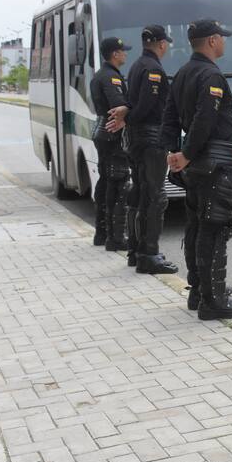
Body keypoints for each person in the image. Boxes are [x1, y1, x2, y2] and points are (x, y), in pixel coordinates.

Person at [166, 19, 232, 321]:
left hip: (197, 166)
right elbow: (205, 118)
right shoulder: (211, 75)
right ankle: (213, 300)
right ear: (213, 41)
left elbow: (169, 117)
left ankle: (199, 292)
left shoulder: (182, 73)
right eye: (222, 38)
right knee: (215, 227)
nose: (224, 42)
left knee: (197, 225)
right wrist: (186, 154)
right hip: (214, 165)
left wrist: (174, 153)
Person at [119, 24, 180, 275]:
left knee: (141, 193)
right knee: (155, 197)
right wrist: (130, 118)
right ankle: (149, 254)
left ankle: (136, 251)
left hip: (136, 139)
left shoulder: (136, 65)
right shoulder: (153, 69)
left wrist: (128, 118)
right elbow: (146, 106)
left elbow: (132, 103)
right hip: (151, 138)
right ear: (162, 44)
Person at [90, 37, 133, 252]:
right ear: (115, 54)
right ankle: (116, 237)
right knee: (119, 183)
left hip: (103, 131)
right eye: (123, 50)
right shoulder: (111, 77)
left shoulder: (100, 74)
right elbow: (118, 106)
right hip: (112, 134)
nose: (125, 53)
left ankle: (102, 233)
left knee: (106, 181)